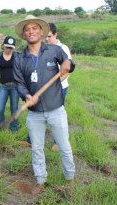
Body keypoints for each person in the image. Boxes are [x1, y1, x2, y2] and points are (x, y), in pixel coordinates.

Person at [14, 15, 76, 195]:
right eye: (27, 29)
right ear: (24, 35)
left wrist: (67, 64)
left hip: (56, 108)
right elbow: (19, 83)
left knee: (64, 146)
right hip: (34, 113)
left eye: (34, 28)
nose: (31, 31)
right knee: (37, 148)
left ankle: (70, 178)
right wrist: (26, 95)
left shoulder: (54, 50)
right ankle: (41, 180)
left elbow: (69, 64)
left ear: (41, 31)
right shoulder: (20, 58)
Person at [45, 22, 72, 151]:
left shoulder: (63, 48)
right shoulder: (43, 48)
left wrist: (54, 84)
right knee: (39, 113)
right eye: (45, 36)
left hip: (59, 88)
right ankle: (31, 140)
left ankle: (57, 142)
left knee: (56, 115)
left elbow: (66, 71)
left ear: (55, 34)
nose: (46, 39)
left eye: (49, 36)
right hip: (44, 87)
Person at [0, 36, 19, 132]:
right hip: (3, 86)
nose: (9, 49)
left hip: (15, 87)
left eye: (11, 47)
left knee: (14, 109)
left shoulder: (17, 56)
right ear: (3, 45)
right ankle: (1, 127)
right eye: (7, 47)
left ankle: (14, 129)